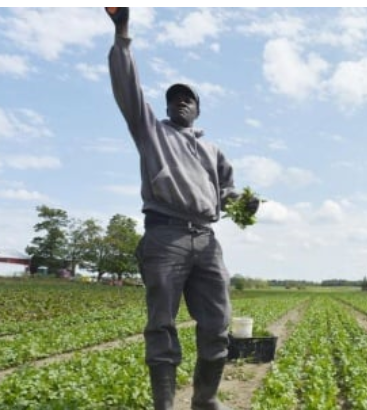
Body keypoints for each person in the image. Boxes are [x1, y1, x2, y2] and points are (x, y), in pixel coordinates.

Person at [106, 8, 258, 410]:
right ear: (166, 106)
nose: (180, 103)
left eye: (188, 99)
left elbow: (228, 192)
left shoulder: (212, 150)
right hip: (165, 236)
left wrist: (246, 202)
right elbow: (128, 88)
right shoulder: (152, 132)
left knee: (217, 322)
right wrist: (123, 32)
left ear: (197, 109)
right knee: (161, 324)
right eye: (174, 98)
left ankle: (204, 401)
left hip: (207, 240)